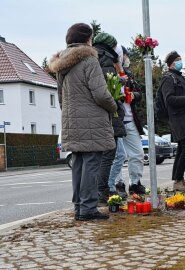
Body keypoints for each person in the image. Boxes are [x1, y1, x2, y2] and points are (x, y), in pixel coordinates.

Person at [49, 23, 117, 220]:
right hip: (92, 120)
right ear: (88, 39)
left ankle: (79, 206)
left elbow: (61, 97)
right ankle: (88, 208)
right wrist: (113, 107)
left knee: (78, 162)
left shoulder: (62, 63)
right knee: (92, 163)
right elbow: (101, 94)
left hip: (72, 120)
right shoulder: (89, 59)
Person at [92, 33, 127, 204]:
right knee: (109, 154)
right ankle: (103, 191)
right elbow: (106, 89)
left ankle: (100, 191)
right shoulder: (105, 59)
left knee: (104, 155)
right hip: (107, 114)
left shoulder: (95, 57)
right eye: (114, 46)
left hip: (97, 114)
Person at [160, 51, 185, 190]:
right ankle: (178, 180)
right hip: (178, 118)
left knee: (183, 149)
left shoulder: (178, 77)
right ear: (171, 64)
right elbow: (169, 100)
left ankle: (179, 179)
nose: (180, 62)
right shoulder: (168, 79)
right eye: (178, 60)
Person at [108, 45, 146, 196]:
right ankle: (118, 183)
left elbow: (139, 93)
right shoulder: (109, 72)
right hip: (116, 121)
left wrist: (133, 96)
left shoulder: (128, 74)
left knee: (137, 154)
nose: (126, 59)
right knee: (118, 156)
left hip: (131, 121)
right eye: (125, 56)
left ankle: (135, 183)